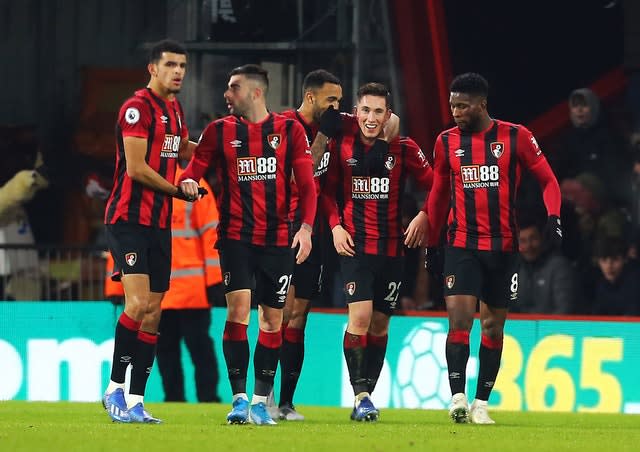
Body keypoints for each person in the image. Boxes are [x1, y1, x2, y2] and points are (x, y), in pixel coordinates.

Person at [179, 64, 316, 426]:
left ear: (256, 92)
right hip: (236, 238)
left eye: (233, 87)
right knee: (237, 313)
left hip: (278, 241)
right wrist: (188, 183)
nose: (226, 94)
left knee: (272, 321)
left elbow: (307, 186)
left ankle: (260, 402)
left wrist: (306, 228)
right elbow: (192, 170)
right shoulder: (217, 132)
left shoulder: (289, 130)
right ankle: (239, 400)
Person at [420, 73, 561, 424]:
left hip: (503, 247)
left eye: (463, 105)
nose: (455, 111)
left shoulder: (516, 136)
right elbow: (438, 194)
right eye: (452, 105)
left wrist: (554, 217)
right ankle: (457, 398)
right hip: (461, 243)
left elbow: (548, 180)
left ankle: (482, 403)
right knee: (459, 320)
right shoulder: (445, 141)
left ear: (482, 104)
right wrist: (433, 241)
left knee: (493, 328)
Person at [320, 82, 433, 421]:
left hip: (393, 250)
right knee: (360, 318)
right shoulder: (342, 145)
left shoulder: (405, 148)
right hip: (355, 246)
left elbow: (436, 186)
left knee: (381, 325)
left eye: (378, 112)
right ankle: (361, 396)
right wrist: (335, 226)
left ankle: (367, 394)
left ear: (388, 116)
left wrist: (425, 215)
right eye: (365, 110)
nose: (371, 118)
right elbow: (325, 192)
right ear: (357, 111)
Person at [102, 39, 200, 424]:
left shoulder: (175, 110)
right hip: (128, 219)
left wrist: (218, 151)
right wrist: (179, 190)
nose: (178, 71)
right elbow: (136, 168)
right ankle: (114, 390)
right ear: (153, 69)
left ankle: (137, 401)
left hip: (159, 223)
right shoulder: (136, 108)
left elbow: (183, 151)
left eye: (183, 66)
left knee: (155, 312)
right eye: (171, 65)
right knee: (139, 304)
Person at [271, 69, 343, 421]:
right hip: (282, 230)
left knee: (299, 318)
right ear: (311, 97)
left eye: (340, 102)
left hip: (313, 234)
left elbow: (389, 122)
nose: (336, 108)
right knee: (278, 313)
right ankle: (263, 395)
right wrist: (325, 136)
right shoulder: (283, 125)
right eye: (331, 100)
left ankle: (286, 402)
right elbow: (299, 171)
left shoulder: (332, 127)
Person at [156, 163, 223, 403]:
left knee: (181, 350)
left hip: (168, 291)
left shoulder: (147, 181)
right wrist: (214, 281)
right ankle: (200, 398)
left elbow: (210, 234)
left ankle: (182, 398)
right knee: (188, 349)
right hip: (178, 290)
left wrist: (215, 281)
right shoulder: (192, 184)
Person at [514, 213, 576, 314]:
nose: (529, 246)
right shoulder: (513, 268)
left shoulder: (559, 267)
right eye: (523, 241)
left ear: (543, 238)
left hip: (553, 329)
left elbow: (564, 310)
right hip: (517, 328)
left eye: (533, 238)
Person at [592, 237, 640, 316]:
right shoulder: (601, 285)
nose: (608, 266)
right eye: (604, 260)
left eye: (615, 260)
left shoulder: (636, 283)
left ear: (625, 259)